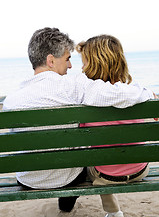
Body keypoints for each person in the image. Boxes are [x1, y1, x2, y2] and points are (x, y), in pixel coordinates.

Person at [3, 28, 154, 214]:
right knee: (80, 158)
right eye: (67, 59)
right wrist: (148, 93)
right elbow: (118, 94)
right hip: (66, 178)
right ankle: (71, 206)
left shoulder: (11, 100)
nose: (71, 66)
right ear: (51, 61)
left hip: (27, 179)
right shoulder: (74, 85)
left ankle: (66, 209)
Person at [76, 34, 152, 217]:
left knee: (95, 163)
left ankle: (113, 212)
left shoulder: (87, 98)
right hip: (140, 169)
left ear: (95, 64)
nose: (81, 67)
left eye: (84, 62)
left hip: (105, 176)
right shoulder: (138, 95)